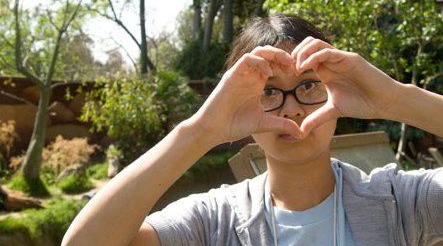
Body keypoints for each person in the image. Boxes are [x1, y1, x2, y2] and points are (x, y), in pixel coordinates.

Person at [62, 14, 443, 246]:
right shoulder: (213, 220)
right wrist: (201, 130)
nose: (291, 107)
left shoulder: (398, 202)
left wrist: (395, 100)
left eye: (308, 85)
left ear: (336, 93)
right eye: (269, 91)